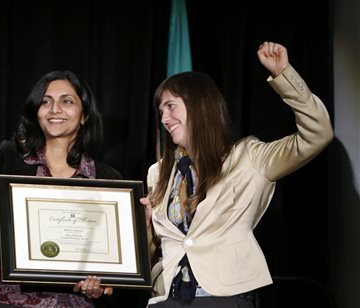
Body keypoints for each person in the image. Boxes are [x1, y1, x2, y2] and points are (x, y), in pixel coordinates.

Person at [140, 41, 334, 307]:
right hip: (167, 299)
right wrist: (145, 227)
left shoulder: (249, 157)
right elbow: (154, 251)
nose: (164, 118)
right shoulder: (157, 173)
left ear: (200, 105)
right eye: (161, 111)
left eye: (171, 106)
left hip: (224, 298)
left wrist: (284, 74)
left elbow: (318, 134)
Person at [0, 45, 118, 307]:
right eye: (45, 101)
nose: (55, 109)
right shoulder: (6, 160)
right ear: (36, 112)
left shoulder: (108, 180)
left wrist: (102, 284)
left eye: (67, 101)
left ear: (84, 116)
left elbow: (112, 265)